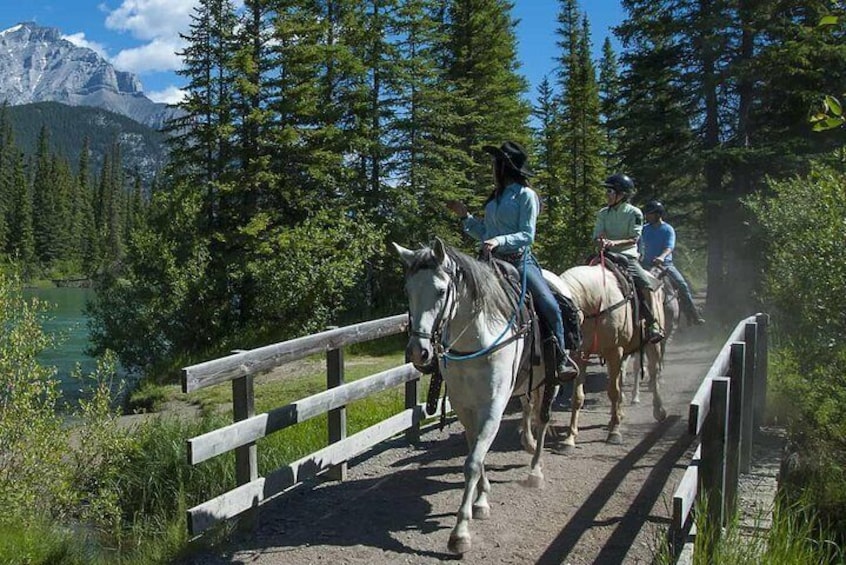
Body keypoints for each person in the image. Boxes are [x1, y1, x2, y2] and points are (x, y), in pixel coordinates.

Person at [446, 140, 579, 381]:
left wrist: (499, 241)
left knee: (549, 304)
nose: (491, 168)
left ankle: (561, 355)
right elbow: (485, 232)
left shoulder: (526, 196)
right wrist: (465, 216)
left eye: (495, 163)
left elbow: (527, 235)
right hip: (490, 262)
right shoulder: (495, 198)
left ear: (505, 167)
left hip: (519, 262)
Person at [592, 173, 664, 343]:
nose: (607, 195)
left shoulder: (635, 213)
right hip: (606, 254)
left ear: (622, 194)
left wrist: (613, 243)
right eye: (607, 191)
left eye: (610, 191)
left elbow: (634, 238)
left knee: (645, 284)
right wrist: (600, 240)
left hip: (627, 256)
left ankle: (653, 323)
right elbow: (597, 234)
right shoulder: (603, 213)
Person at [640, 200, 705, 326]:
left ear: (658, 214)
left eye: (650, 214)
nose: (647, 216)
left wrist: (662, 257)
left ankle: (692, 314)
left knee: (682, 285)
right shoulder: (644, 229)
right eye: (647, 214)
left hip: (664, 265)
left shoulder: (667, 229)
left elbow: (669, 247)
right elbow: (639, 244)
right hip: (645, 264)